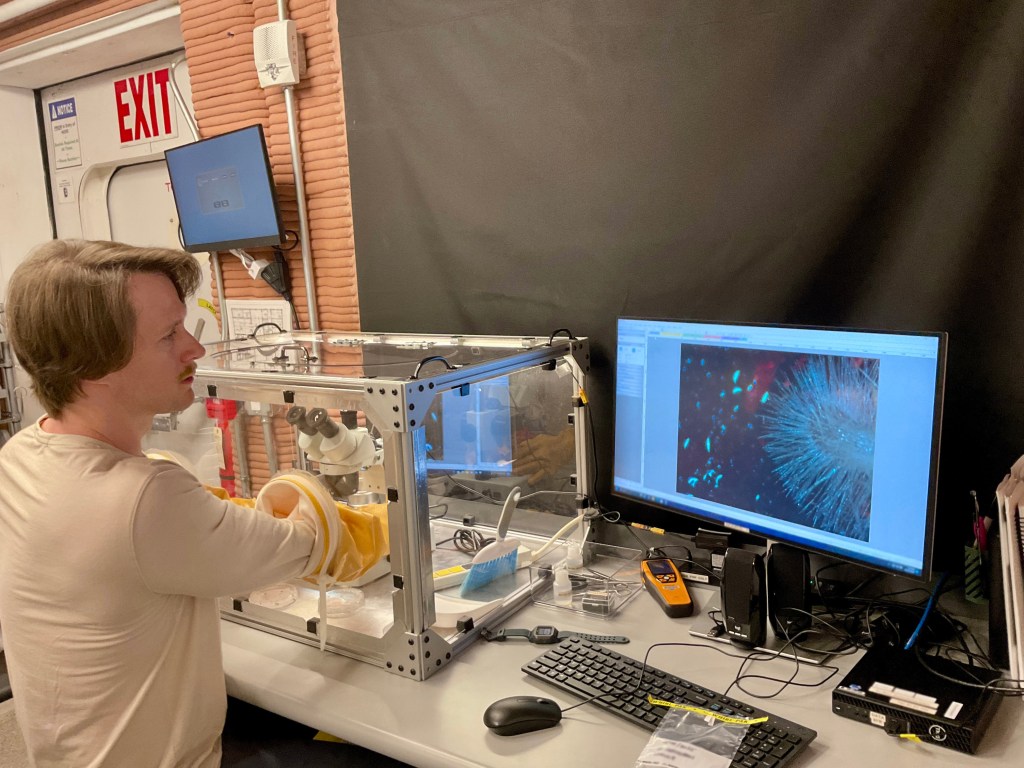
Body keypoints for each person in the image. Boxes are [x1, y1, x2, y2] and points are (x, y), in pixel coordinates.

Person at [0, 240, 408, 768]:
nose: (194, 349)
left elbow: (172, 537)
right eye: (168, 335)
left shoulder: (22, 454)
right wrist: (397, 517)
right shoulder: (144, 499)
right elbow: (312, 540)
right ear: (94, 366)